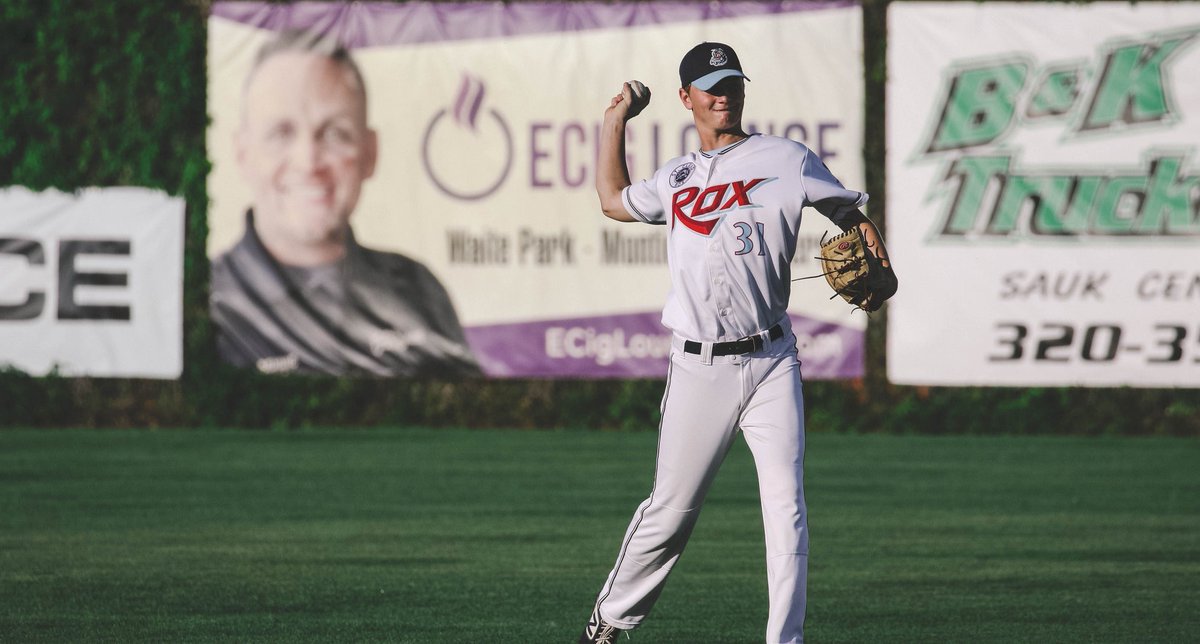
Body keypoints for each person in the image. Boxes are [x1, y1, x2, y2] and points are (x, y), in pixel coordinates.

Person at [578, 43, 897, 643]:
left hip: (773, 360)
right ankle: (610, 622)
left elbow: (847, 213)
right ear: (687, 97)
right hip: (700, 367)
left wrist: (872, 245)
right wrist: (614, 121)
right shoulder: (675, 178)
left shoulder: (787, 158)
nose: (723, 93)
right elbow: (613, 202)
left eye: (731, 82)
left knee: (787, 510)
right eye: (710, 85)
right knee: (669, 514)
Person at [210, 30, 480, 377]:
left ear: (370, 153)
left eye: (336, 134)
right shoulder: (212, 302)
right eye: (281, 133)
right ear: (243, 154)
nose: (309, 161)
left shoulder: (418, 291)